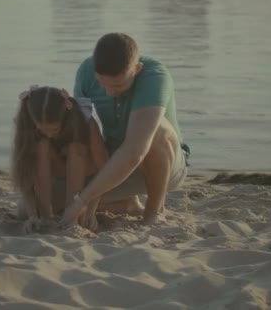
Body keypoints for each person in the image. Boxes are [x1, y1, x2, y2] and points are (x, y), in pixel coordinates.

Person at [61, 33, 190, 226]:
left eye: (118, 85)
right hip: (115, 161)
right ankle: (127, 204)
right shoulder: (86, 71)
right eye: (103, 84)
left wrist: (81, 200)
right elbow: (85, 133)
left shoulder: (155, 77)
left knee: (157, 130)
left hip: (165, 165)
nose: (109, 92)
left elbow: (134, 152)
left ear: (137, 69)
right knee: (55, 203)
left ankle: (154, 211)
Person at [11, 85, 107, 233]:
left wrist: (91, 211)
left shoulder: (83, 119)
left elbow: (104, 169)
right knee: (22, 211)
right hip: (57, 180)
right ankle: (46, 216)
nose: (49, 134)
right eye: (42, 129)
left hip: (87, 182)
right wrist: (32, 216)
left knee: (75, 148)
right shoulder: (27, 124)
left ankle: (72, 215)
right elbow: (25, 174)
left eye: (54, 129)